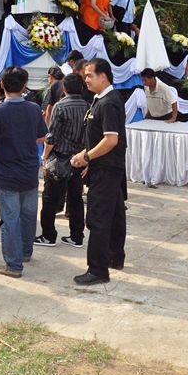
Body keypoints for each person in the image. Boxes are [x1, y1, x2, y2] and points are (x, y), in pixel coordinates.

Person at [0, 67, 47, 277]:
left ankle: (13, 264)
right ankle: (26, 252)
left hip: (8, 172)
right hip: (29, 169)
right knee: (28, 215)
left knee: (11, 219)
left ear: (2, 85)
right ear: (24, 85)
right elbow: (40, 138)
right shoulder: (33, 108)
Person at [71, 59, 128, 285]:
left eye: (89, 75)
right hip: (104, 166)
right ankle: (115, 256)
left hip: (107, 169)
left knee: (98, 218)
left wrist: (86, 157)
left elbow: (111, 140)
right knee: (114, 214)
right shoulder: (100, 100)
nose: (85, 80)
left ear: (103, 76)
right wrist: (86, 156)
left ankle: (97, 269)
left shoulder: (109, 103)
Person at [35, 72, 89, 248]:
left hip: (59, 159)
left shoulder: (60, 106)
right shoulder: (88, 106)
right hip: (79, 159)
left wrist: (44, 157)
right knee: (76, 199)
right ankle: (77, 235)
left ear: (64, 88)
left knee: (50, 198)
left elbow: (52, 137)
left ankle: (49, 236)